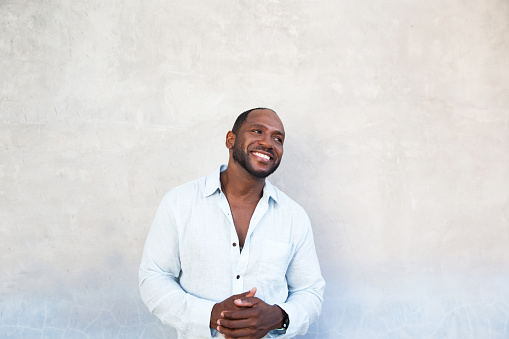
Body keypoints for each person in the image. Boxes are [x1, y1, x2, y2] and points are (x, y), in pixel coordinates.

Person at [139, 108, 325, 339]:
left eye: (278, 139)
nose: (268, 143)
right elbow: (154, 278)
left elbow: (310, 291)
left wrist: (277, 316)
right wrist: (210, 314)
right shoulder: (179, 203)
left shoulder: (294, 216)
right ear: (231, 139)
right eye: (257, 131)